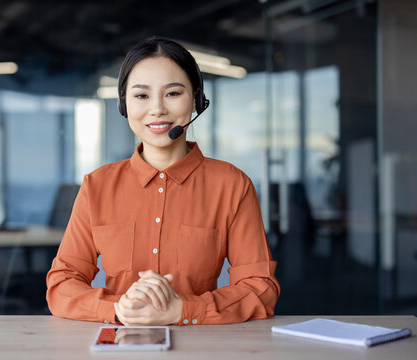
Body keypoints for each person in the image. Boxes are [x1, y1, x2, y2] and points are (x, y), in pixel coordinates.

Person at [46, 37, 280, 326]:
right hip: (118, 343)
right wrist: (117, 308)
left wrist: (185, 310)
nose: (156, 109)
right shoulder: (97, 186)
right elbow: (62, 284)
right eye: (141, 96)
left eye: (172, 93)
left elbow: (260, 287)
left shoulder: (232, 185)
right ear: (124, 104)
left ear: (196, 99)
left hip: (203, 344)